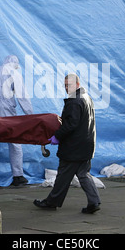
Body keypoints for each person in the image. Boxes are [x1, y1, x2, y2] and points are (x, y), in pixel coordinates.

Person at [33, 74, 101, 213]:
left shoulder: (74, 101)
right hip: (86, 144)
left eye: (69, 85)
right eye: (65, 85)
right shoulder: (86, 97)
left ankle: (52, 202)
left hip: (73, 147)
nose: (66, 88)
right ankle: (94, 201)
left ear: (77, 84)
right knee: (83, 174)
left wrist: (56, 136)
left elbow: (71, 124)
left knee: (63, 175)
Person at [0, 55, 33, 190]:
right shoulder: (14, 74)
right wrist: (31, 117)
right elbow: (23, 97)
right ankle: (18, 176)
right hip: (8, 113)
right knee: (15, 143)